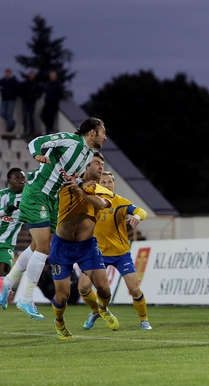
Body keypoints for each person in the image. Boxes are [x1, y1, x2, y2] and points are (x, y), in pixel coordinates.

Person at [0, 117, 106, 319]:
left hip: (52, 198)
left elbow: (70, 175)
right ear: (92, 132)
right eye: (103, 132)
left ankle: (7, 284)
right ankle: (26, 298)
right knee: (44, 248)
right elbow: (35, 142)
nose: (105, 137)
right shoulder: (70, 140)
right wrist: (38, 155)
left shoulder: (87, 155)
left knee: (35, 246)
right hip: (37, 193)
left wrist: (76, 182)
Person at [50, 151, 119, 339]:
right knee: (62, 296)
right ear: (86, 166)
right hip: (61, 247)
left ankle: (102, 309)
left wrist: (81, 190)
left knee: (104, 288)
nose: (100, 166)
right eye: (96, 163)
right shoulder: (66, 183)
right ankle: (59, 322)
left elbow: (103, 205)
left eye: (102, 164)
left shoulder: (103, 190)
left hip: (87, 247)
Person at [78, 170, 151, 330]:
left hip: (120, 254)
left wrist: (137, 217)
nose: (106, 184)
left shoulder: (120, 202)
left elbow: (141, 211)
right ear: (97, 185)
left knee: (134, 289)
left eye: (109, 182)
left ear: (114, 184)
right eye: (103, 182)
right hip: (97, 254)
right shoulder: (90, 202)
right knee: (83, 287)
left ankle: (144, 319)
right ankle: (96, 311)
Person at [0, 168, 26, 301]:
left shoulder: (28, 197)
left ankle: (2, 297)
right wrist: (6, 210)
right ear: (9, 180)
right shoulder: (2, 195)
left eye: (22, 179)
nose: (21, 181)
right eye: (17, 179)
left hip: (7, 243)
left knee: (3, 272)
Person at [19, 70, 43, 138]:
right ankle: (25, 129)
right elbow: (20, 91)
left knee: (31, 116)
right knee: (25, 116)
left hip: (32, 102)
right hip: (25, 102)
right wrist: (24, 96)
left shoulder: (36, 84)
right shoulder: (25, 83)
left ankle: (32, 130)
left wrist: (35, 97)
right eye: (31, 74)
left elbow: (40, 92)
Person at [0, 68, 21, 137]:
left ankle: (9, 128)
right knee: (2, 112)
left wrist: (13, 94)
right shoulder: (3, 81)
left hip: (11, 99)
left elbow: (18, 89)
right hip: (4, 99)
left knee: (9, 113)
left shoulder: (14, 81)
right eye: (6, 73)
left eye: (8, 73)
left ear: (10, 73)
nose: (7, 74)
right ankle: (11, 122)